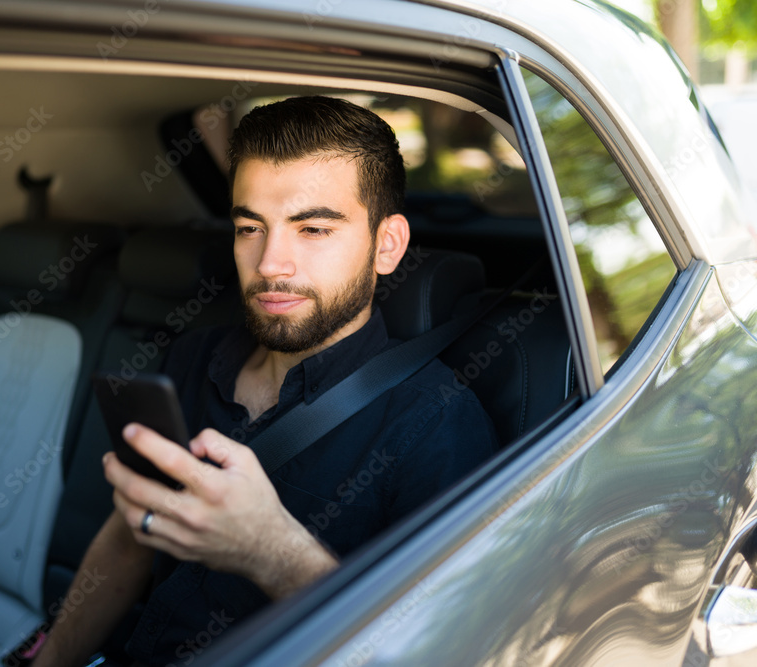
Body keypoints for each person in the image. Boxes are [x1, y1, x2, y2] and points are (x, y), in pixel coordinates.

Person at [32, 95, 497, 667]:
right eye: (251, 227)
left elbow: (439, 652)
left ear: (386, 245)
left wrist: (269, 551)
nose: (272, 262)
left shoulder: (435, 422)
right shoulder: (189, 359)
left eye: (314, 229)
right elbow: (130, 537)